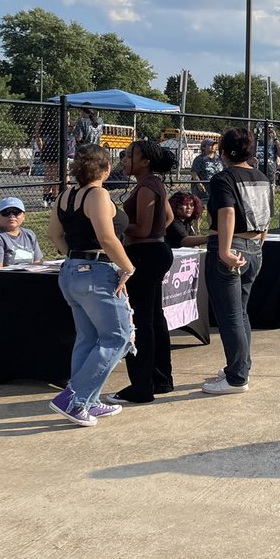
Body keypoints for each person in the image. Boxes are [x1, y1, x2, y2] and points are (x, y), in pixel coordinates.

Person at [46, 143, 136, 427]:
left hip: (73, 271)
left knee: (88, 338)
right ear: (107, 169)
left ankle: (88, 401)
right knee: (118, 337)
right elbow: (107, 238)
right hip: (97, 271)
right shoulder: (98, 194)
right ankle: (74, 397)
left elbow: (53, 234)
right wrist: (128, 267)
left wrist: (71, 254)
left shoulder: (64, 196)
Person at [106, 140, 176, 405]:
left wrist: (116, 222)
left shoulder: (147, 186)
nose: (124, 160)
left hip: (145, 255)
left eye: (129, 156)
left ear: (145, 161)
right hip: (155, 252)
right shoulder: (154, 184)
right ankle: (161, 379)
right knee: (154, 319)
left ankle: (141, 387)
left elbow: (144, 229)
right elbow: (168, 218)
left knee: (140, 323)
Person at [203, 126, 271, 395]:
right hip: (254, 247)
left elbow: (227, 213)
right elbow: (266, 214)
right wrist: (258, 244)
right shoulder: (262, 177)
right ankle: (240, 366)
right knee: (240, 313)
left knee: (230, 315)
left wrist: (224, 250)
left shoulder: (223, 179)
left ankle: (236, 377)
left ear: (223, 152)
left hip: (231, 248)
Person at [0, 196, 43, 313]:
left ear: (24, 216)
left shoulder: (29, 234)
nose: (12, 216)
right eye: (6, 213)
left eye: (16, 212)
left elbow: (38, 264)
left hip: (22, 286)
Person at [35, 105, 63, 208]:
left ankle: (46, 196)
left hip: (47, 147)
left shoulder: (42, 122)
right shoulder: (59, 121)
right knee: (55, 174)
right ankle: (55, 197)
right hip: (56, 147)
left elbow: (38, 138)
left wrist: (42, 148)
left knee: (48, 173)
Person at [190, 138, 223, 204]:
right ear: (204, 147)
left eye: (214, 145)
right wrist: (199, 183)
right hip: (204, 188)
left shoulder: (219, 158)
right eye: (210, 145)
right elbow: (194, 172)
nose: (213, 147)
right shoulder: (199, 159)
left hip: (217, 187)